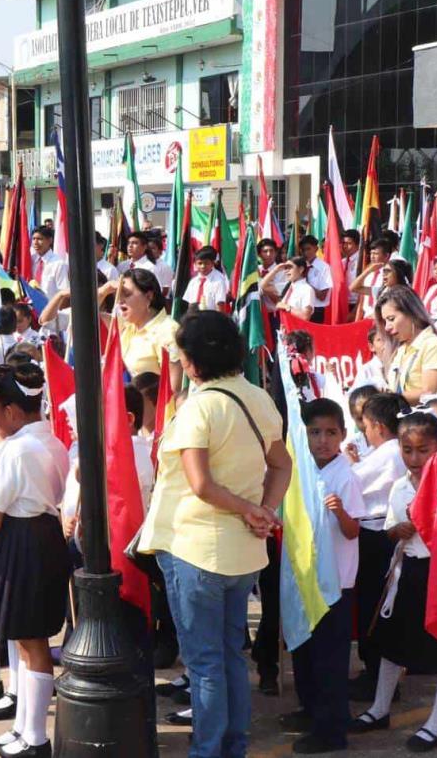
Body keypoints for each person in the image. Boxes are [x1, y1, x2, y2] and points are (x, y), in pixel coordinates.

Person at [137, 311, 291, 758]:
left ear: (192, 360)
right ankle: (232, 747)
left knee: (205, 664)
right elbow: (281, 464)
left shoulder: (199, 407)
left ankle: (208, 751)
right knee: (228, 658)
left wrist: (252, 509)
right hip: (243, 550)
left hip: (195, 548)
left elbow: (201, 485)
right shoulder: (258, 397)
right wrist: (264, 510)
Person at [350, 412, 437, 753]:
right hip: (410, 572)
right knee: (392, 645)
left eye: (424, 450)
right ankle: (379, 708)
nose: (415, 458)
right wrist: (400, 530)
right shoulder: (399, 486)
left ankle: (436, 723)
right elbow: (390, 529)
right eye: (408, 450)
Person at [0, 362, 71, 757]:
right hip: (44, 535)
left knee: (31, 643)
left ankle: (35, 738)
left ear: (12, 411)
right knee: (27, 639)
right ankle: (23, 730)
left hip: (20, 539)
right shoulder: (53, 441)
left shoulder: (18, 448)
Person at [283, 398, 364, 754]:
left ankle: (331, 729)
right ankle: (312, 710)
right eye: (315, 432)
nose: (322, 440)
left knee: (329, 658)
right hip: (306, 576)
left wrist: (341, 512)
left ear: (343, 435)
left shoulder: (344, 474)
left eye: (331, 433)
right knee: (304, 647)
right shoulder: (300, 468)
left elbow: (353, 531)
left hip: (336, 584)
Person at [348, 392, 406, 700]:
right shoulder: (392, 450)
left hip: (378, 533)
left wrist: (346, 465)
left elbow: (353, 481)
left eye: (366, 425)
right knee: (375, 605)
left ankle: (379, 678)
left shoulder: (390, 452)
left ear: (380, 426)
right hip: (380, 531)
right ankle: (377, 673)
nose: (364, 431)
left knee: (374, 605)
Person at [378, 286, 437, 405]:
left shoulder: (433, 345)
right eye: (385, 321)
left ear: (411, 313)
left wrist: (389, 398)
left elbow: (430, 393)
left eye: (391, 319)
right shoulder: (401, 350)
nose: (387, 327)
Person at [266, 257, 316, 321]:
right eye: (286, 268)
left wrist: (287, 307)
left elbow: (305, 316)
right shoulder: (287, 286)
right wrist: (275, 270)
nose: (286, 271)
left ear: (301, 269)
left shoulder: (307, 290)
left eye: (290, 267)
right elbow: (264, 286)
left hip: (297, 329)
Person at [182, 247, 229, 312]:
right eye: (200, 263)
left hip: (210, 318)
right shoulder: (193, 282)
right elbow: (190, 304)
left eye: (206, 263)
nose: (203, 266)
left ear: (212, 263)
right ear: (195, 264)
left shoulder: (218, 280)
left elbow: (220, 304)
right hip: (195, 317)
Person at [299, 235, 332, 323]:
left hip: (317, 310)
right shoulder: (300, 267)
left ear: (316, 249)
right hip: (301, 308)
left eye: (308, 249)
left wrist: (304, 283)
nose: (306, 253)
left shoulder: (324, 268)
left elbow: (322, 296)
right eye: (303, 250)